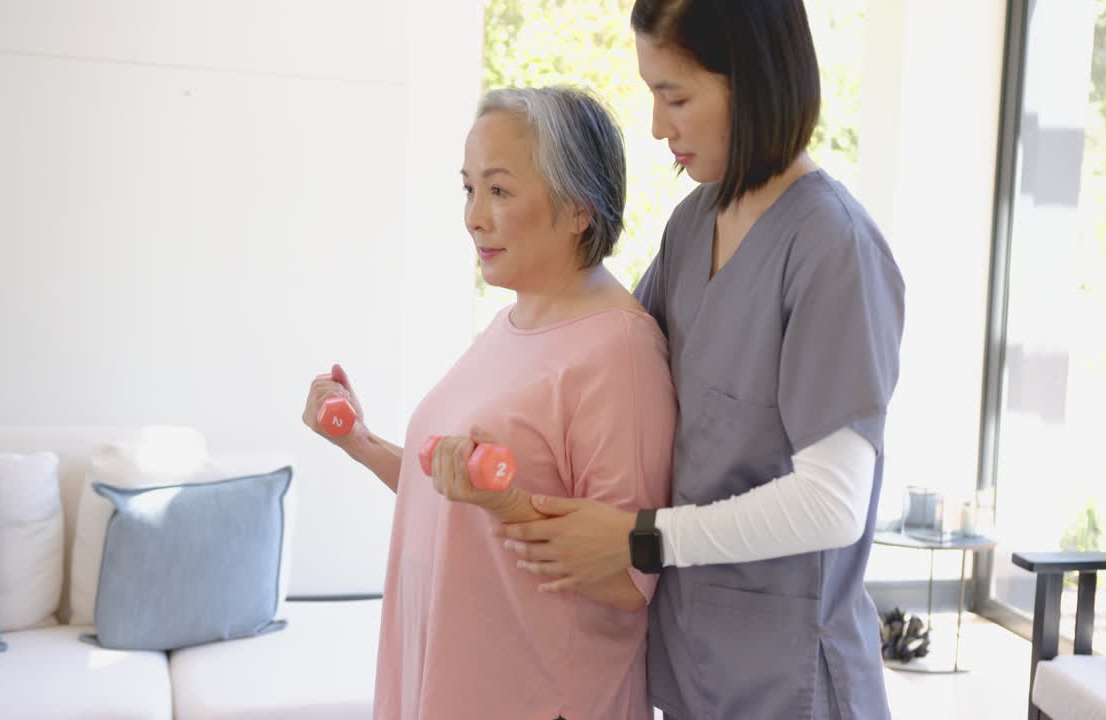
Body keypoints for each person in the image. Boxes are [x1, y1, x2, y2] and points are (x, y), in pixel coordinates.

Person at [498, 2, 905, 719]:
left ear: (753, 80)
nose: (658, 127)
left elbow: (832, 503)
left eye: (675, 96)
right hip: (692, 667)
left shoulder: (833, 249)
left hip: (790, 683)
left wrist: (642, 537)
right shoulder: (692, 225)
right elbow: (618, 364)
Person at [303, 86, 676, 720]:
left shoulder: (620, 350)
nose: (474, 216)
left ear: (580, 209)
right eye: (469, 189)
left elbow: (628, 582)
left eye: (499, 191)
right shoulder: (513, 323)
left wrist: (499, 499)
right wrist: (360, 443)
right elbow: (452, 502)